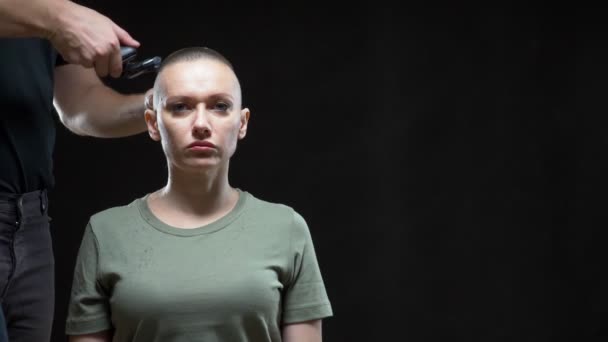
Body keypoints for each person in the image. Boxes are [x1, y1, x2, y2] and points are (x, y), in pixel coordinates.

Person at [65, 47, 333, 341]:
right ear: (153, 123)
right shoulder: (106, 233)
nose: (202, 125)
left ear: (241, 123)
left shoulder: (287, 229)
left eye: (220, 106)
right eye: (181, 106)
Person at [0, 0, 150, 341]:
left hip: (30, 227)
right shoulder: (54, 12)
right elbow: (56, 20)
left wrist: (156, 104)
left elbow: (80, 105)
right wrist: (57, 17)